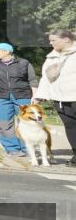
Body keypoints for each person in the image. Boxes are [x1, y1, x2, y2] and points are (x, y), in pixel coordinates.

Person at [0, 42, 38, 158]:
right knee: (5, 124)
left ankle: (27, 148)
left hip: (23, 96)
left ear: (7, 51)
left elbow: (33, 80)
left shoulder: (24, 63)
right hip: (0, 97)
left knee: (26, 123)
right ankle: (12, 149)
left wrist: (35, 96)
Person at [33, 30, 76, 167]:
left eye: (53, 40)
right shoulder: (52, 57)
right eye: (50, 40)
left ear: (66, 40)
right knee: (70, 126)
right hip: (60, 99)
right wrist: (39, 95)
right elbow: (46, 78)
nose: (50, 43)